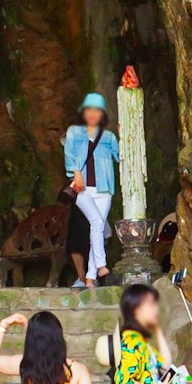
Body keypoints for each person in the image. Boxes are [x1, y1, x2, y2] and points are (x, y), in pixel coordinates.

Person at [61, 94, 120, 286]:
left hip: (104, 189)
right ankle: (101, 265)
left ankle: (90, 277)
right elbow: (69, 155)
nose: (93, 114)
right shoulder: (74, 132)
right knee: (96, 222)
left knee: (98, 227)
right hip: (82, 189)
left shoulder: (109, 137)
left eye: (97, 110)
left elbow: (120, 158)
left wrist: (125, 135)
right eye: (89, 110)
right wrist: (76, 172)